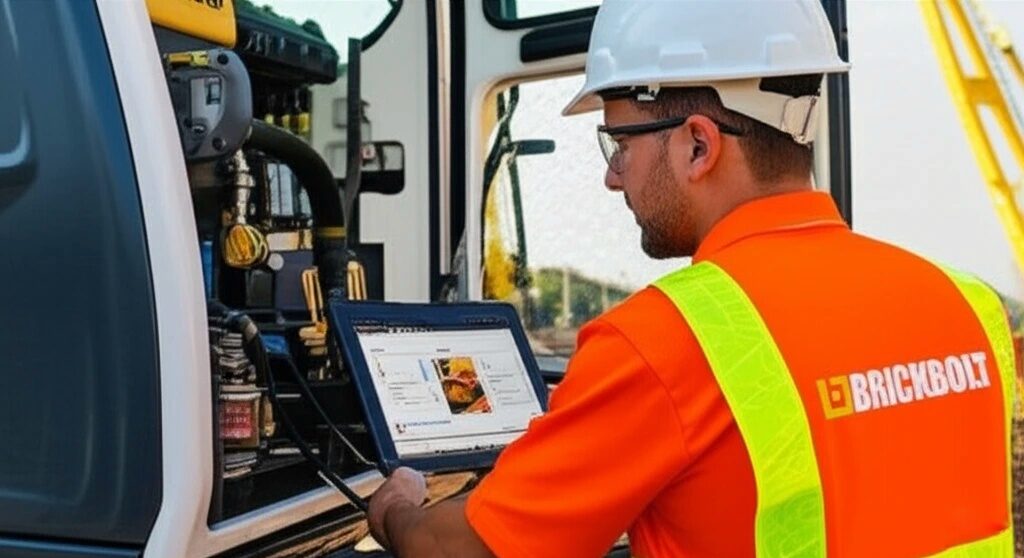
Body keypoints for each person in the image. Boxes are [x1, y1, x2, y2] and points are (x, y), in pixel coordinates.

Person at [366, 0, 1017, 556]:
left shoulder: (663, 342)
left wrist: (396, 507)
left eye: (619, 145)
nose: (612, 175)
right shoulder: (968, 307)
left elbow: (464, 551)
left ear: (698, 145)